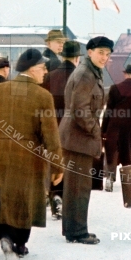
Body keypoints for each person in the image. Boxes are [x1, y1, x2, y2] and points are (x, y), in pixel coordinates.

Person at [0, 48, 63, 260]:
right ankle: (19, 243)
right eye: (43, 68)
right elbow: (51, 136)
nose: (45, 73)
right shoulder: (43, 96)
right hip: (29, 155)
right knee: (25, 199)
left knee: (3, 196)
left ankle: (4, 236)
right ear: (32, 70)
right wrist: (58, 166)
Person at [59, 36, 113, 245]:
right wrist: (94, 132)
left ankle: (74, 229)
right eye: (101, 53)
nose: (104, 57)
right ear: (89, 52)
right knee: (78, 187)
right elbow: (79, 109)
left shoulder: (91, 72)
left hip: (78, 137)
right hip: (78, 137)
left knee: (77, 186)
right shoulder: (85, 74)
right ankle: (76, 232)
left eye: (107, 54)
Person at [41, 40, 82, 219]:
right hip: (74, 128)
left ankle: (55, 195)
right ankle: (67, 202)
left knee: (55, 163)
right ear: (77, 57)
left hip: (52, 126)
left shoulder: (49, 76)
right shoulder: (81, 76)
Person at [101, 64, 131, 192]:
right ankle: (128, 179)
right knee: (127, 150)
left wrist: (103, 129)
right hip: (130, 124)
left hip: (114, 122)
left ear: (125, 74)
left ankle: (109, 178)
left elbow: (108, 110)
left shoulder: (114, 88)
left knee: (112, 150)